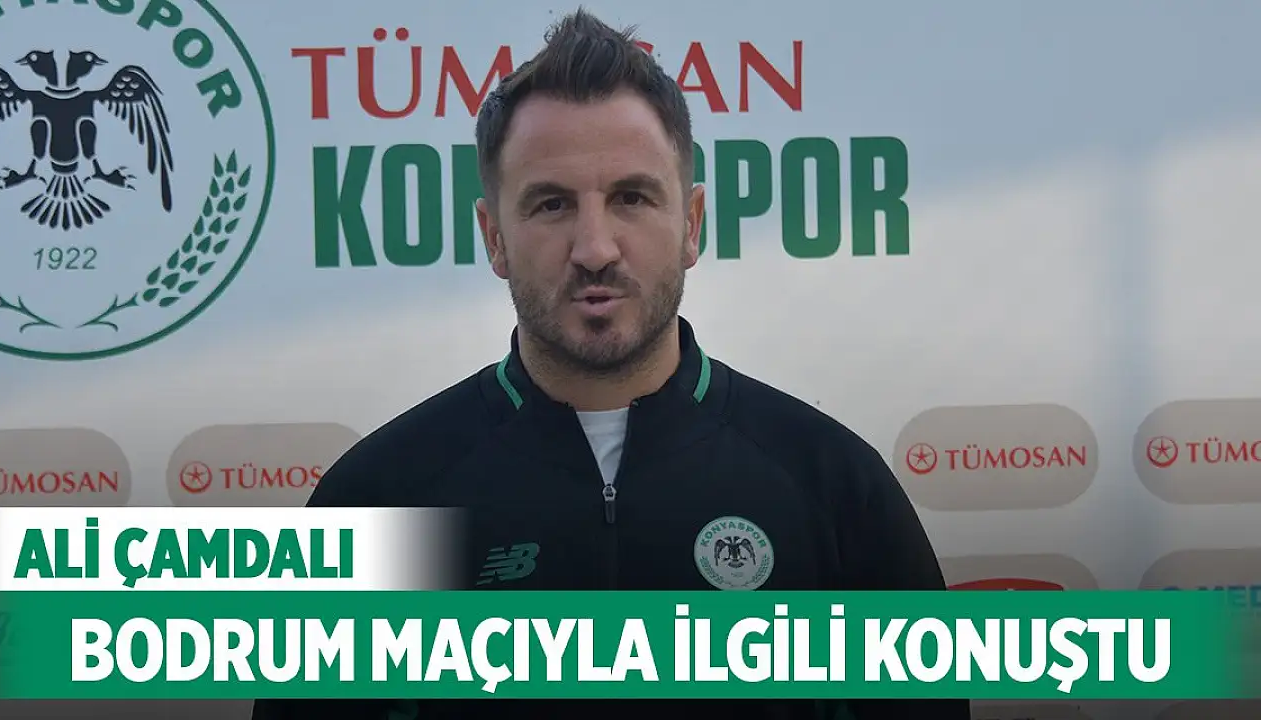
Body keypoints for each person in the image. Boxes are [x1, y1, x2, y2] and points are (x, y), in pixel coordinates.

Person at [252, 9, 969, 720]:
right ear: (494, 238)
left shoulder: (835, 489)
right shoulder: (379, 499)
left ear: (691, 225)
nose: (595, 248)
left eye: (631, 197)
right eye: (552, 205)